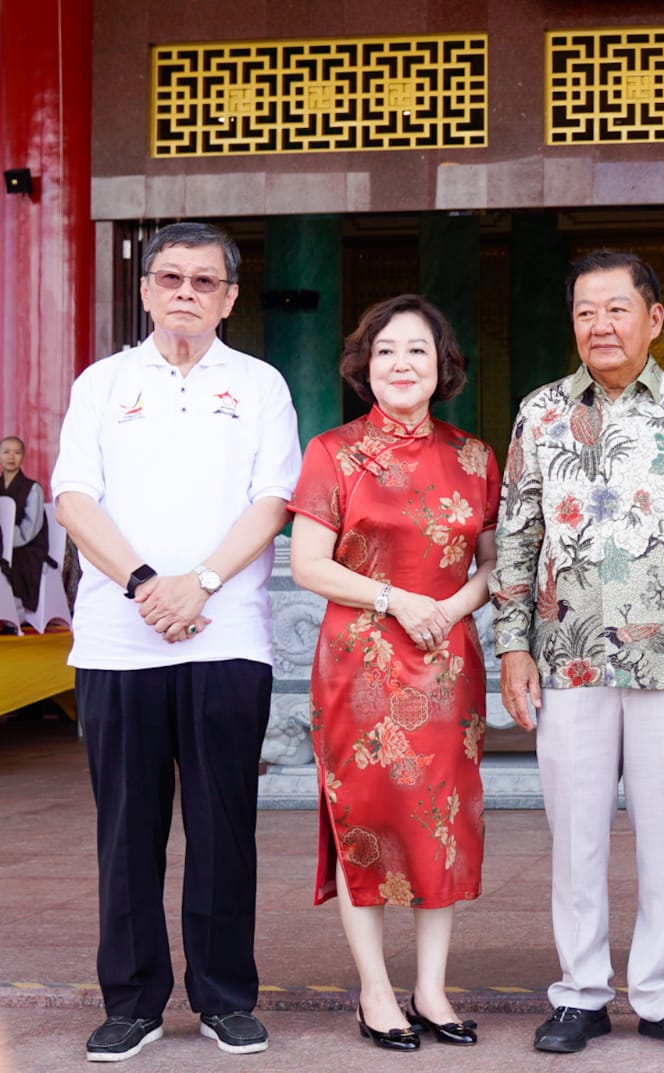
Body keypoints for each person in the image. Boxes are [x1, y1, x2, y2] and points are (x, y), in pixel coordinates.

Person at [51, 221, 301, 1062]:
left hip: (226, 636)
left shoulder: (261, 384)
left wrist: (202, 583)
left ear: (230, 296)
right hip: (119, 642)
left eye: (204, 281)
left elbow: (273, 500)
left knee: (224, 823)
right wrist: (145, 584)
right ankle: (132, 1000)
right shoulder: (103, 382)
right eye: (170, 278)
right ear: (148, 290)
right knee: (127, 828)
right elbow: (75, 497)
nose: (185, 292)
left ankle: (226, 994)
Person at [493, 250, 664, 1055]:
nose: (599, 326)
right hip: (565, 652)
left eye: (615, 309)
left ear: (654, 318)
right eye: (584, 312)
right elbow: (516, 531)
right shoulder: (539, 412)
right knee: (575, 831)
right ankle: (579, 991)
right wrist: (511, 645)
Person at [287, 295, 499, 1052]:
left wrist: (452, 607)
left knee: (441, 824)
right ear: (363, 365)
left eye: (417, 350)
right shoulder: (332, 452)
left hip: (446, 665)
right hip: (361, 666)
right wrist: (398, 600)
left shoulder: (475, 456)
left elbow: (494, 560)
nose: (401, 363)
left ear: (441, 366)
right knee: (367, 823)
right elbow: (307, 564)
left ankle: (433, 988)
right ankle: (376, 989)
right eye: (385, 351)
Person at [1, 436, 56, 627]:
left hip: (28, 546)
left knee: (12, 558)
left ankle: (14, 612)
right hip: (4, 544)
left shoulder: (33, 488)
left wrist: (6, 544)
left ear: (23, 457)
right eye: (6, 452)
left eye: (16, 452)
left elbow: (30, 529)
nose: (11, 457)